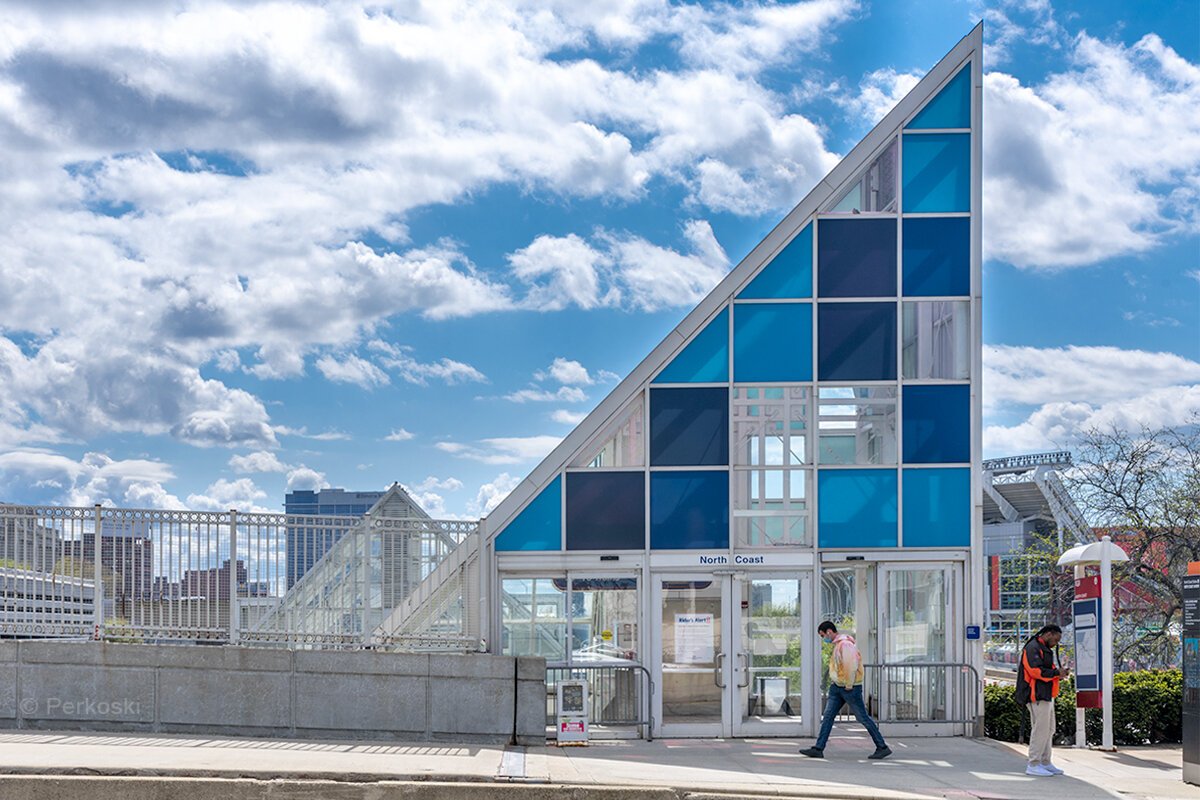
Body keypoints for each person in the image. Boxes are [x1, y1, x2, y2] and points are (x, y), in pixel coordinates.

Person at [799, 621, 891, 760]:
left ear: (829, 631)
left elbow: (851, 666)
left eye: (823, 635)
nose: (824, 638)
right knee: (828, 717)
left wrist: (849, 684)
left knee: (863, 718)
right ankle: (819, 748)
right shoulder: (839, 645)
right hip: (838, 687)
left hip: (849, 688)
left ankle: (882, 747)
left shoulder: (845, 645)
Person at [1015, 624, 1070, 777]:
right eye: (1056, 639)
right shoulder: (1032, 647)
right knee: (1040, 729)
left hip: (1046, 694)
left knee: (1049, 729)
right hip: (1036, 695)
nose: (1056, 643)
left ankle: (1045, 762)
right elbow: (1035, 671)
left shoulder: (1043, 648)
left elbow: (1044, 670)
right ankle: (1033, 763)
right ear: (1048, 634)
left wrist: (1058, 673)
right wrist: (1056, 673)